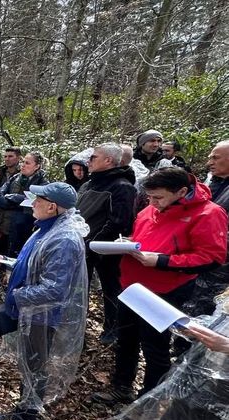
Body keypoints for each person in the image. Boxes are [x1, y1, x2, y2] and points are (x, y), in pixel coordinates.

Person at [92, 168, 228, 406]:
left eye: (158, 198)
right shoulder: (150, 209)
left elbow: (212, 257)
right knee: (127, 339)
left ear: (182, 192)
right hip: (131, 285)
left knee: (155, 346)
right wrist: (127, 244)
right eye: (150, 198)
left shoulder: (209, 213)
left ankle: (148, 401)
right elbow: (142, 236)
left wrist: (162, 260)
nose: (153, 203)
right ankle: (121, 386)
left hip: (164, 290)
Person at [0, 182, 88, 420]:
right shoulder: (46, 228)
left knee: (34, 364)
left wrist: (19, 293)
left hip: (39, 313)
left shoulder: (64, 239)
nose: (32, 203)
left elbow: (55, 289)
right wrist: (7, 262)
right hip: (21, 306)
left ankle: (27, 417)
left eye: (37, 200)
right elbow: (32, 264)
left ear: (52, 207)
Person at [78, 143, 137, 345]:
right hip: (82, 246)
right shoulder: (89, 184)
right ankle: (77, 328)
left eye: (93, 157)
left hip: (107, 250)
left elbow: (119, 222)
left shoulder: (123, 187)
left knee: (111, 289)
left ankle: (112, 330)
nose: (88, 161)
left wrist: (94, 243)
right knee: (79, 289)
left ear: (108, 161)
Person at [185, 141, 229, 317]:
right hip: (195, 259)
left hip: (218, 266)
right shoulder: (214, 183)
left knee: (203, 312)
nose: (209, 162)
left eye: (215, 158)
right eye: (210, 157)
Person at [0, 151, 50, 275]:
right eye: (23, 162)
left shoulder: (43, 184)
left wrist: (15, 199)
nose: (23, 165)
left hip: (24, 230)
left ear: (37, 166)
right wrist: (15, 201)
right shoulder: (15, 178)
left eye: (27, 163)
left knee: (18, 264)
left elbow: (35, 204)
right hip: (4, 226)